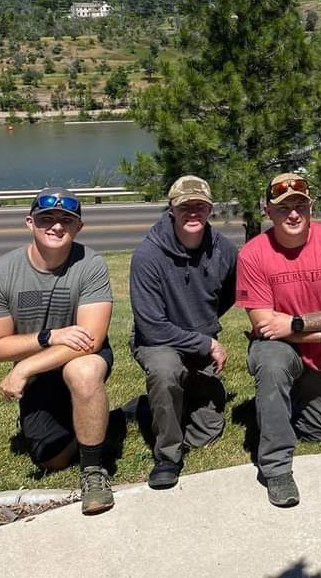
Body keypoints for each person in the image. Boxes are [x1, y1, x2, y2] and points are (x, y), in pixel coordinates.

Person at [0, 188, 115, 515]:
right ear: (30, 222)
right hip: (41, 368)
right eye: (46, 219)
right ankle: (101, 422)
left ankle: (93, 471)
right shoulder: (2, 271)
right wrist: (49, 336)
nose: (56, 226)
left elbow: (92, 339)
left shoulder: (91, 264)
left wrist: (22, 369)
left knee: (83, 371)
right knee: (50, 458)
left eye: (66, 219)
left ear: (78, 226)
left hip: (80, 358)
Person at [235, 173, 321, 507]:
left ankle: (276, 409)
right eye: (283, 207)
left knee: (318, 430)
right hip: (281, 348)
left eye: (299, 206)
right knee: (272, 365)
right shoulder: (252, 254)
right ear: (267, 211)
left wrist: (293, 323)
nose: (292, 214)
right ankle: (276, 468)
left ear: (310, 208)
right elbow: (263, 325)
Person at [129, 175, 237, 489]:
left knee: (205, 434)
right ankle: (167, 456)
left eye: (200, 206)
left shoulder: (223, 249)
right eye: (185, 206)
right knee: (165, 371)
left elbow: (230, 290)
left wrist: (205, 328)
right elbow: (151, 326)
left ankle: (159, 406)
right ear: (171, 210)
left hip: (198, 342)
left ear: (210, 209)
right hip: (156, 341)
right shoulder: (148, 255)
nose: (193, 212)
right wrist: (206, 342)